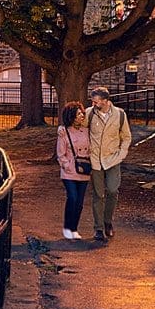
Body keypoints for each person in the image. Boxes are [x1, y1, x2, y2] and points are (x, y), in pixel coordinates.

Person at [86, 86, 131, 242]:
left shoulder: (120, 115)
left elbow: (126, 137)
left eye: (96, 101)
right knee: (98, 194)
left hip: (113, 159)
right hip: (95, 160)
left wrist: (121, 154)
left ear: (105, 101)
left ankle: (107, 221)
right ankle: (98, 228)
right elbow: (79, 129)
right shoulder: (89, 113)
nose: (93, 103)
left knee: (112, 190)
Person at [56, 101, 91, 240]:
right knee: (73, 197)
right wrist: (67, 165)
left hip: (84, 170)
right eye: (78, 114)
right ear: (72, 116)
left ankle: (74, 228)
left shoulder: (86, 131)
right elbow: (60, 154)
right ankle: (67, 227)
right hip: (70, 172)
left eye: (82, 113)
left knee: (80, 202)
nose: (82, 116)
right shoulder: (64, 133)